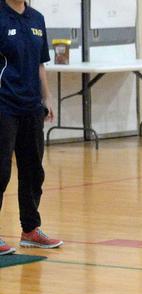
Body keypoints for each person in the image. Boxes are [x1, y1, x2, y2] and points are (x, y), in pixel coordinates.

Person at [0, 0, 63, 255]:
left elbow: (40, 63)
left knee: (33, 170)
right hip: (4, 105)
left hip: (31, 106)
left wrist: (46, 98)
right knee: (1, 171)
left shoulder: (37, 18)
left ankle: (31, 230)